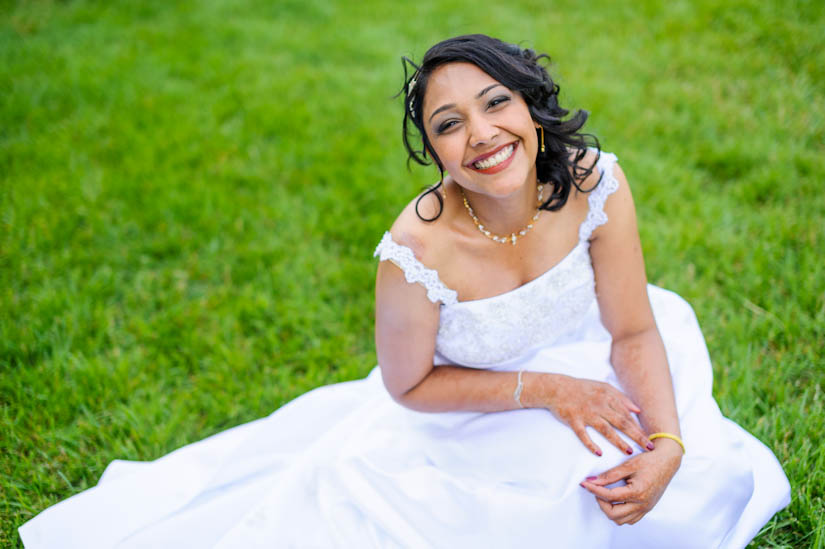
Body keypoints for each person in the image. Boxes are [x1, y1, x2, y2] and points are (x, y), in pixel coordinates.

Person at [19, 34, 789, 548]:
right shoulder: (414, 250)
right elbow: (410, 385)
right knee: (554, 492)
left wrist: (666, 442)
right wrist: (550, 389)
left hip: (603, 358)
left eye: (496, 103)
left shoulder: (594, 181)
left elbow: (631, 331)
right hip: (469, 410)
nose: (482, 135)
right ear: (433, 149)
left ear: (531, 107)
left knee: (681, 475)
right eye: (449, 124)